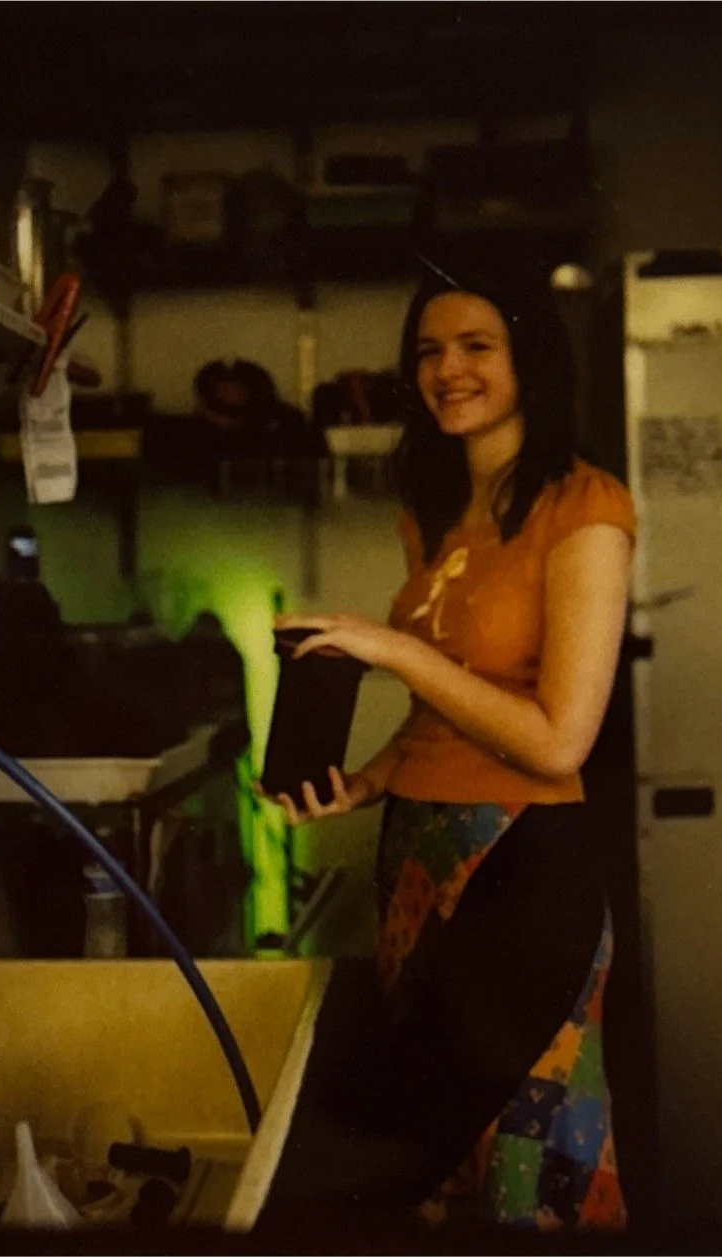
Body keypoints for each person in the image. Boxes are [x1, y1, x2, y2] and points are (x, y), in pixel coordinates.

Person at [260, 255, 636, 1233]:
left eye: (476, 345)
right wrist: (372, 780)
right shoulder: (431, 511)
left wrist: (386, 648)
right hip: (418, 865)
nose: (446, 369)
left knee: (523, 1151)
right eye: (427, 351)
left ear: (529, 361)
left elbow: (558, 741)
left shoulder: (583, 505)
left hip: (520, 860)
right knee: (436, 1162)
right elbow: (447, 704)